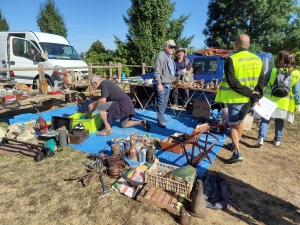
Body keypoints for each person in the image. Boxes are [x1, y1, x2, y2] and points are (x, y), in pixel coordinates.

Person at [215, 34, 264, 163]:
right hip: (248, 100)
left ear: (236, 45)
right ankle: (234, 145)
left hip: (235, 98)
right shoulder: (258, 59)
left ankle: (237, 152)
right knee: (240, 122)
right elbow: (260, 81)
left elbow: (232, 82)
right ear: (248, 45)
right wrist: (256, 97)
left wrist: (248, 93)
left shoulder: (232, 59)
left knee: (232, 125)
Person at [256, 50, 300, 147]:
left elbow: (263, 83)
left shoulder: (273, 70)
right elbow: (297, 91)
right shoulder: (296, 73)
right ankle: (277, 140)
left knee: (265, 119)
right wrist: (298, 104)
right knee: (280, 120)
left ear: (281, 59)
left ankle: (261, 138)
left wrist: (258, 95)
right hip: (284, 103)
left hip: (269, 100)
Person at [153, 39, 176, 128]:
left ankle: (161, 117)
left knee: (164, 102)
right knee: (160, 102)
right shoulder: (161, 56)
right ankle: (160, 121)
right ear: (166, 47)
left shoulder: (169, 57)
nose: (173, 49)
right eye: (171, 47)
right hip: (161, 84)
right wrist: (159, 84)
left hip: (167, 83)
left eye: (174, 47)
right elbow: (157, 71)